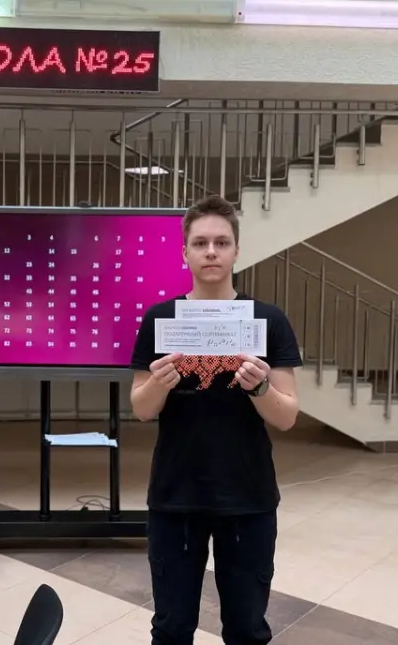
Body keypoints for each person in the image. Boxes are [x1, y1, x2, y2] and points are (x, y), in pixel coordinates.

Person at [130, 195, 302, 645]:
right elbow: (142, 408)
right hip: (176, 494)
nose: (211, 252)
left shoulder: (268, 320)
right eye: (201, 243)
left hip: (247, 494)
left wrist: (259, 388)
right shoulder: (160, 319)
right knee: (171, 629)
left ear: (236, 251)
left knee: (247, 629)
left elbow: (287, 416)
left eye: (221, 243)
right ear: (184, 252)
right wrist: (161, 382)